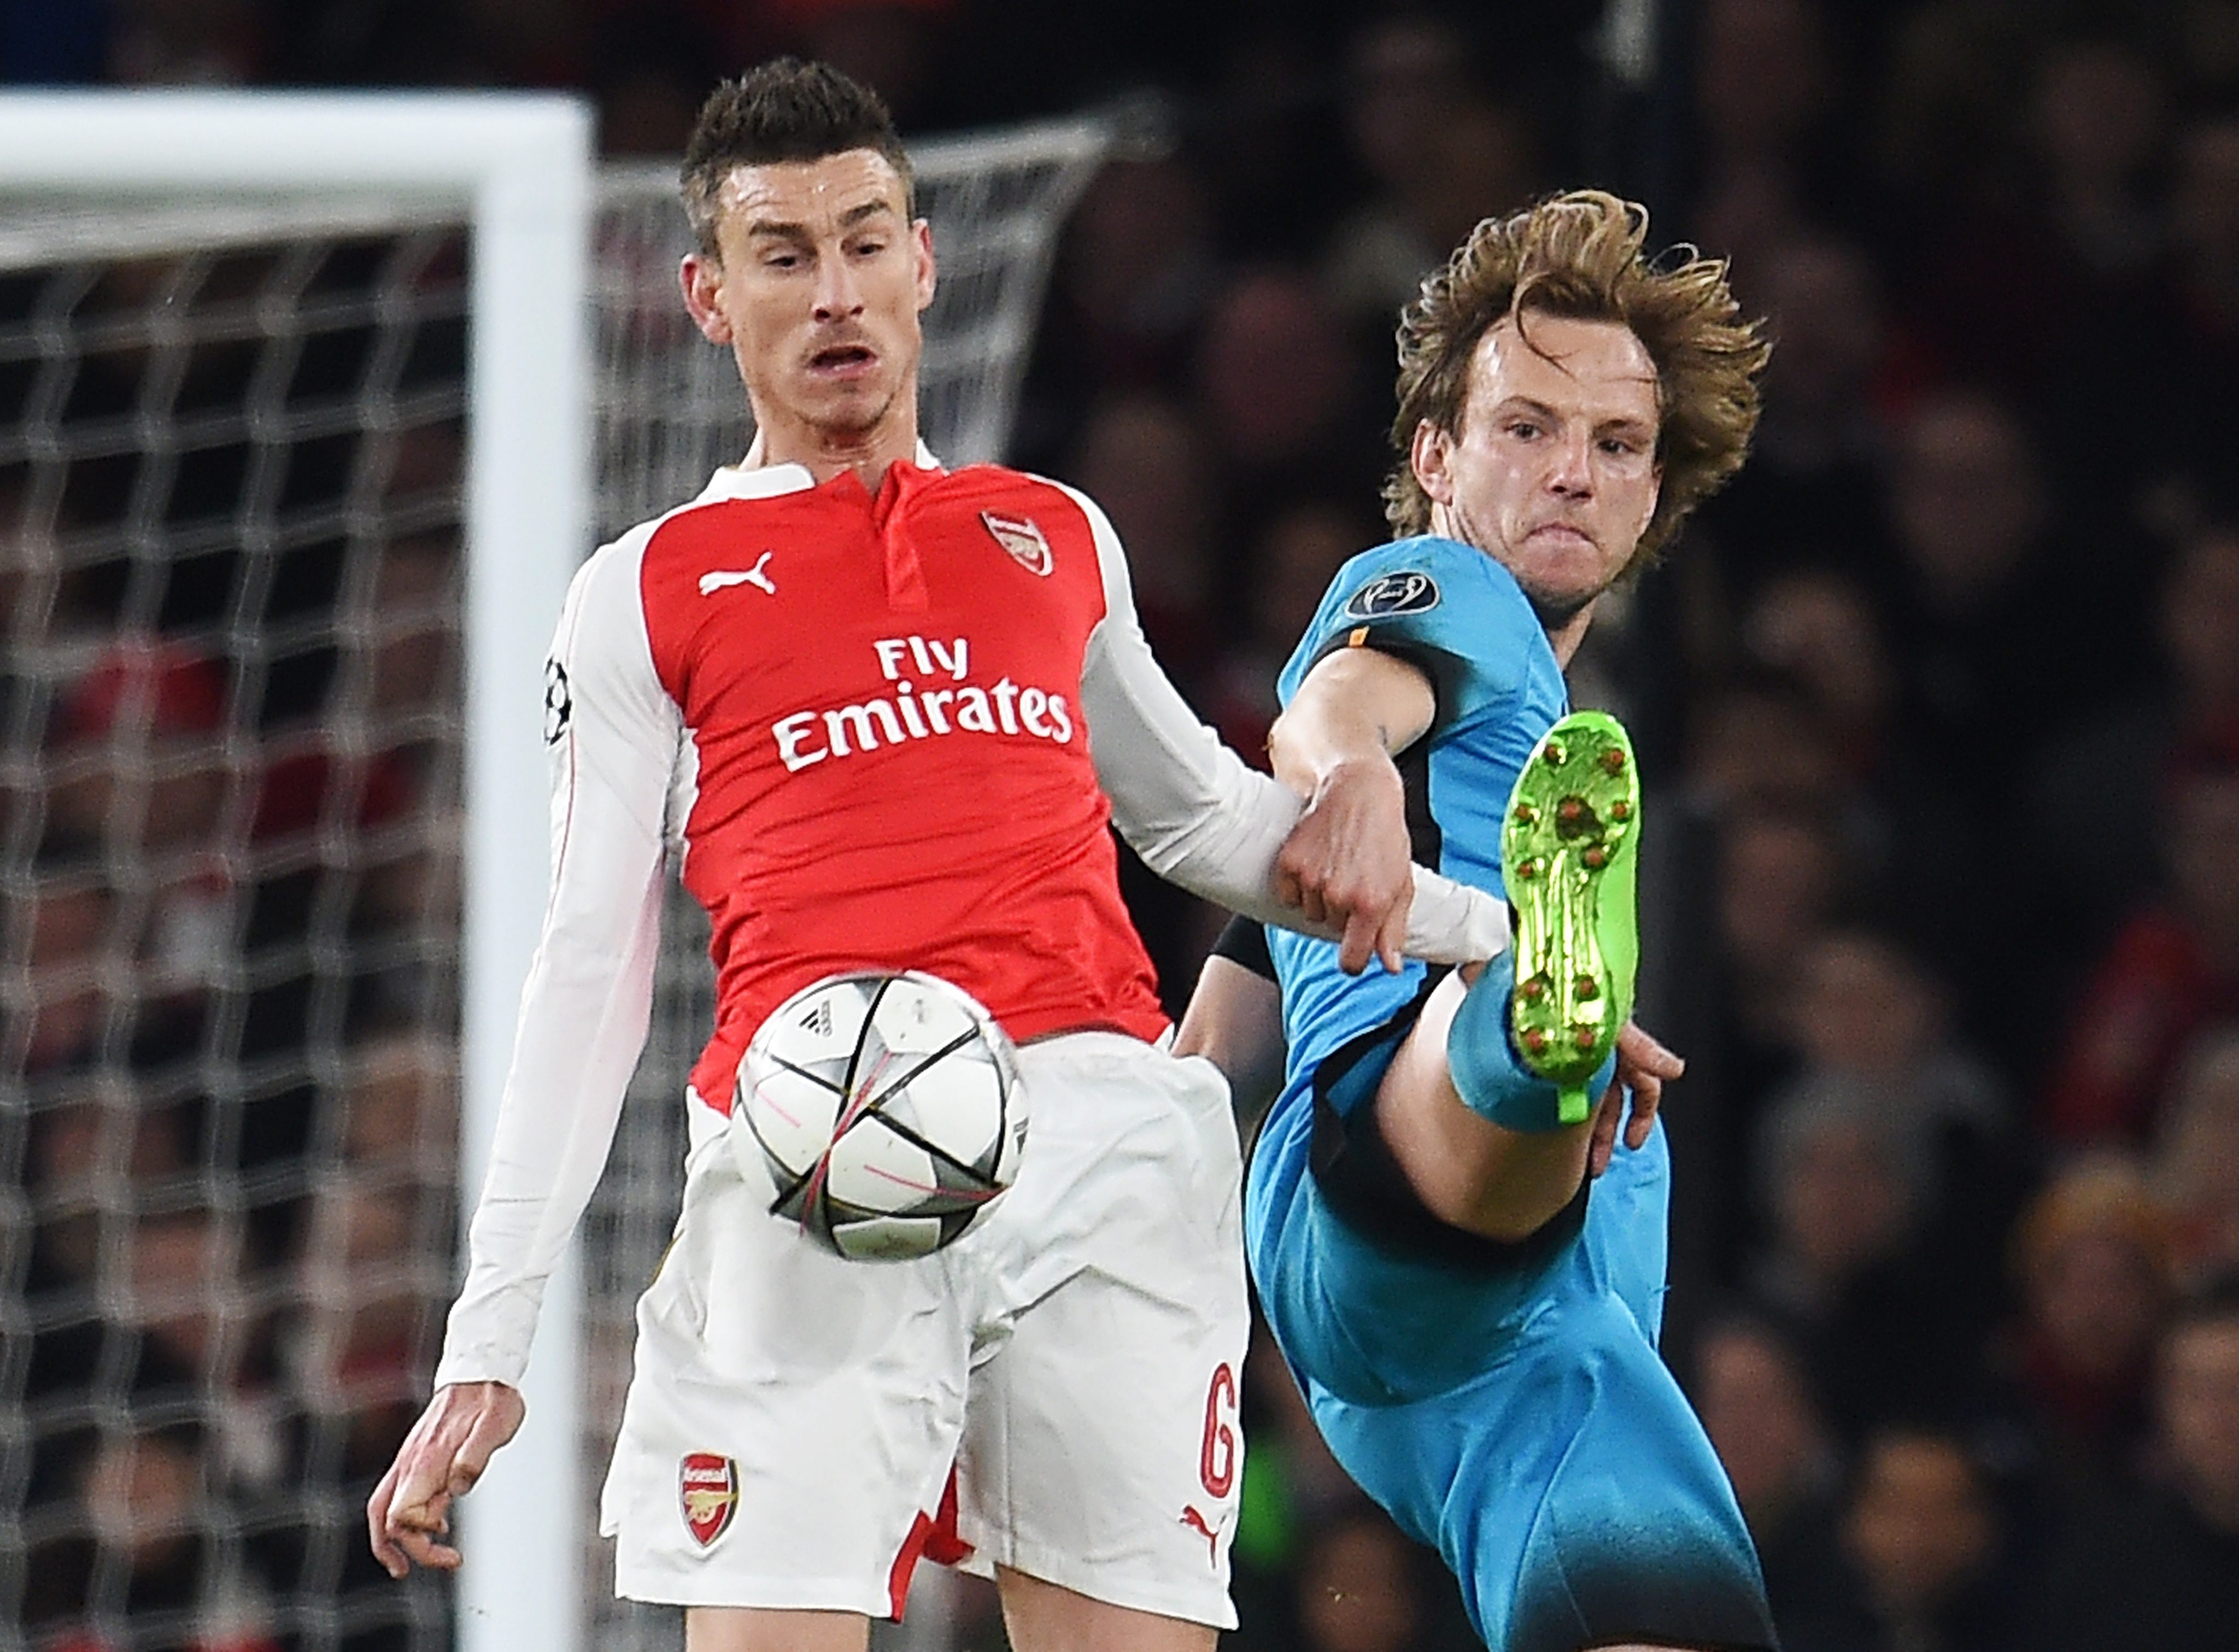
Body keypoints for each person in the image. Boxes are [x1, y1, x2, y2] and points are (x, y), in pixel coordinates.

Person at [362, 58, 1509, 1652]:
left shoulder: (1048, 528)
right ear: (709, 296)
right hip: (813, 1155)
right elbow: (587, 963)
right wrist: (491, 1334)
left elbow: (1202, 819)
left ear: (923, 261)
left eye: (861, 239)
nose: (832, 291)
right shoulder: (648, 587)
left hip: (1098, 1137)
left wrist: (1494, 941)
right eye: (782, 254)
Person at [1177, 191, 1778, 1650]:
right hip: (1410, 1186)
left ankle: (1543, 1026)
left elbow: (1208, 1042)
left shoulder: (1511, 731)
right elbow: (1332, 708)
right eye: (1527, 428)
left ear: (1653, 497)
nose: (1572, 472)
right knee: (1513, 1038)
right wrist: (1352, 773)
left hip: (1511, 1367)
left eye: (1617, 446)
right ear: (1436, 456)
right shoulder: (1449, 597)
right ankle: (1534, 1023)